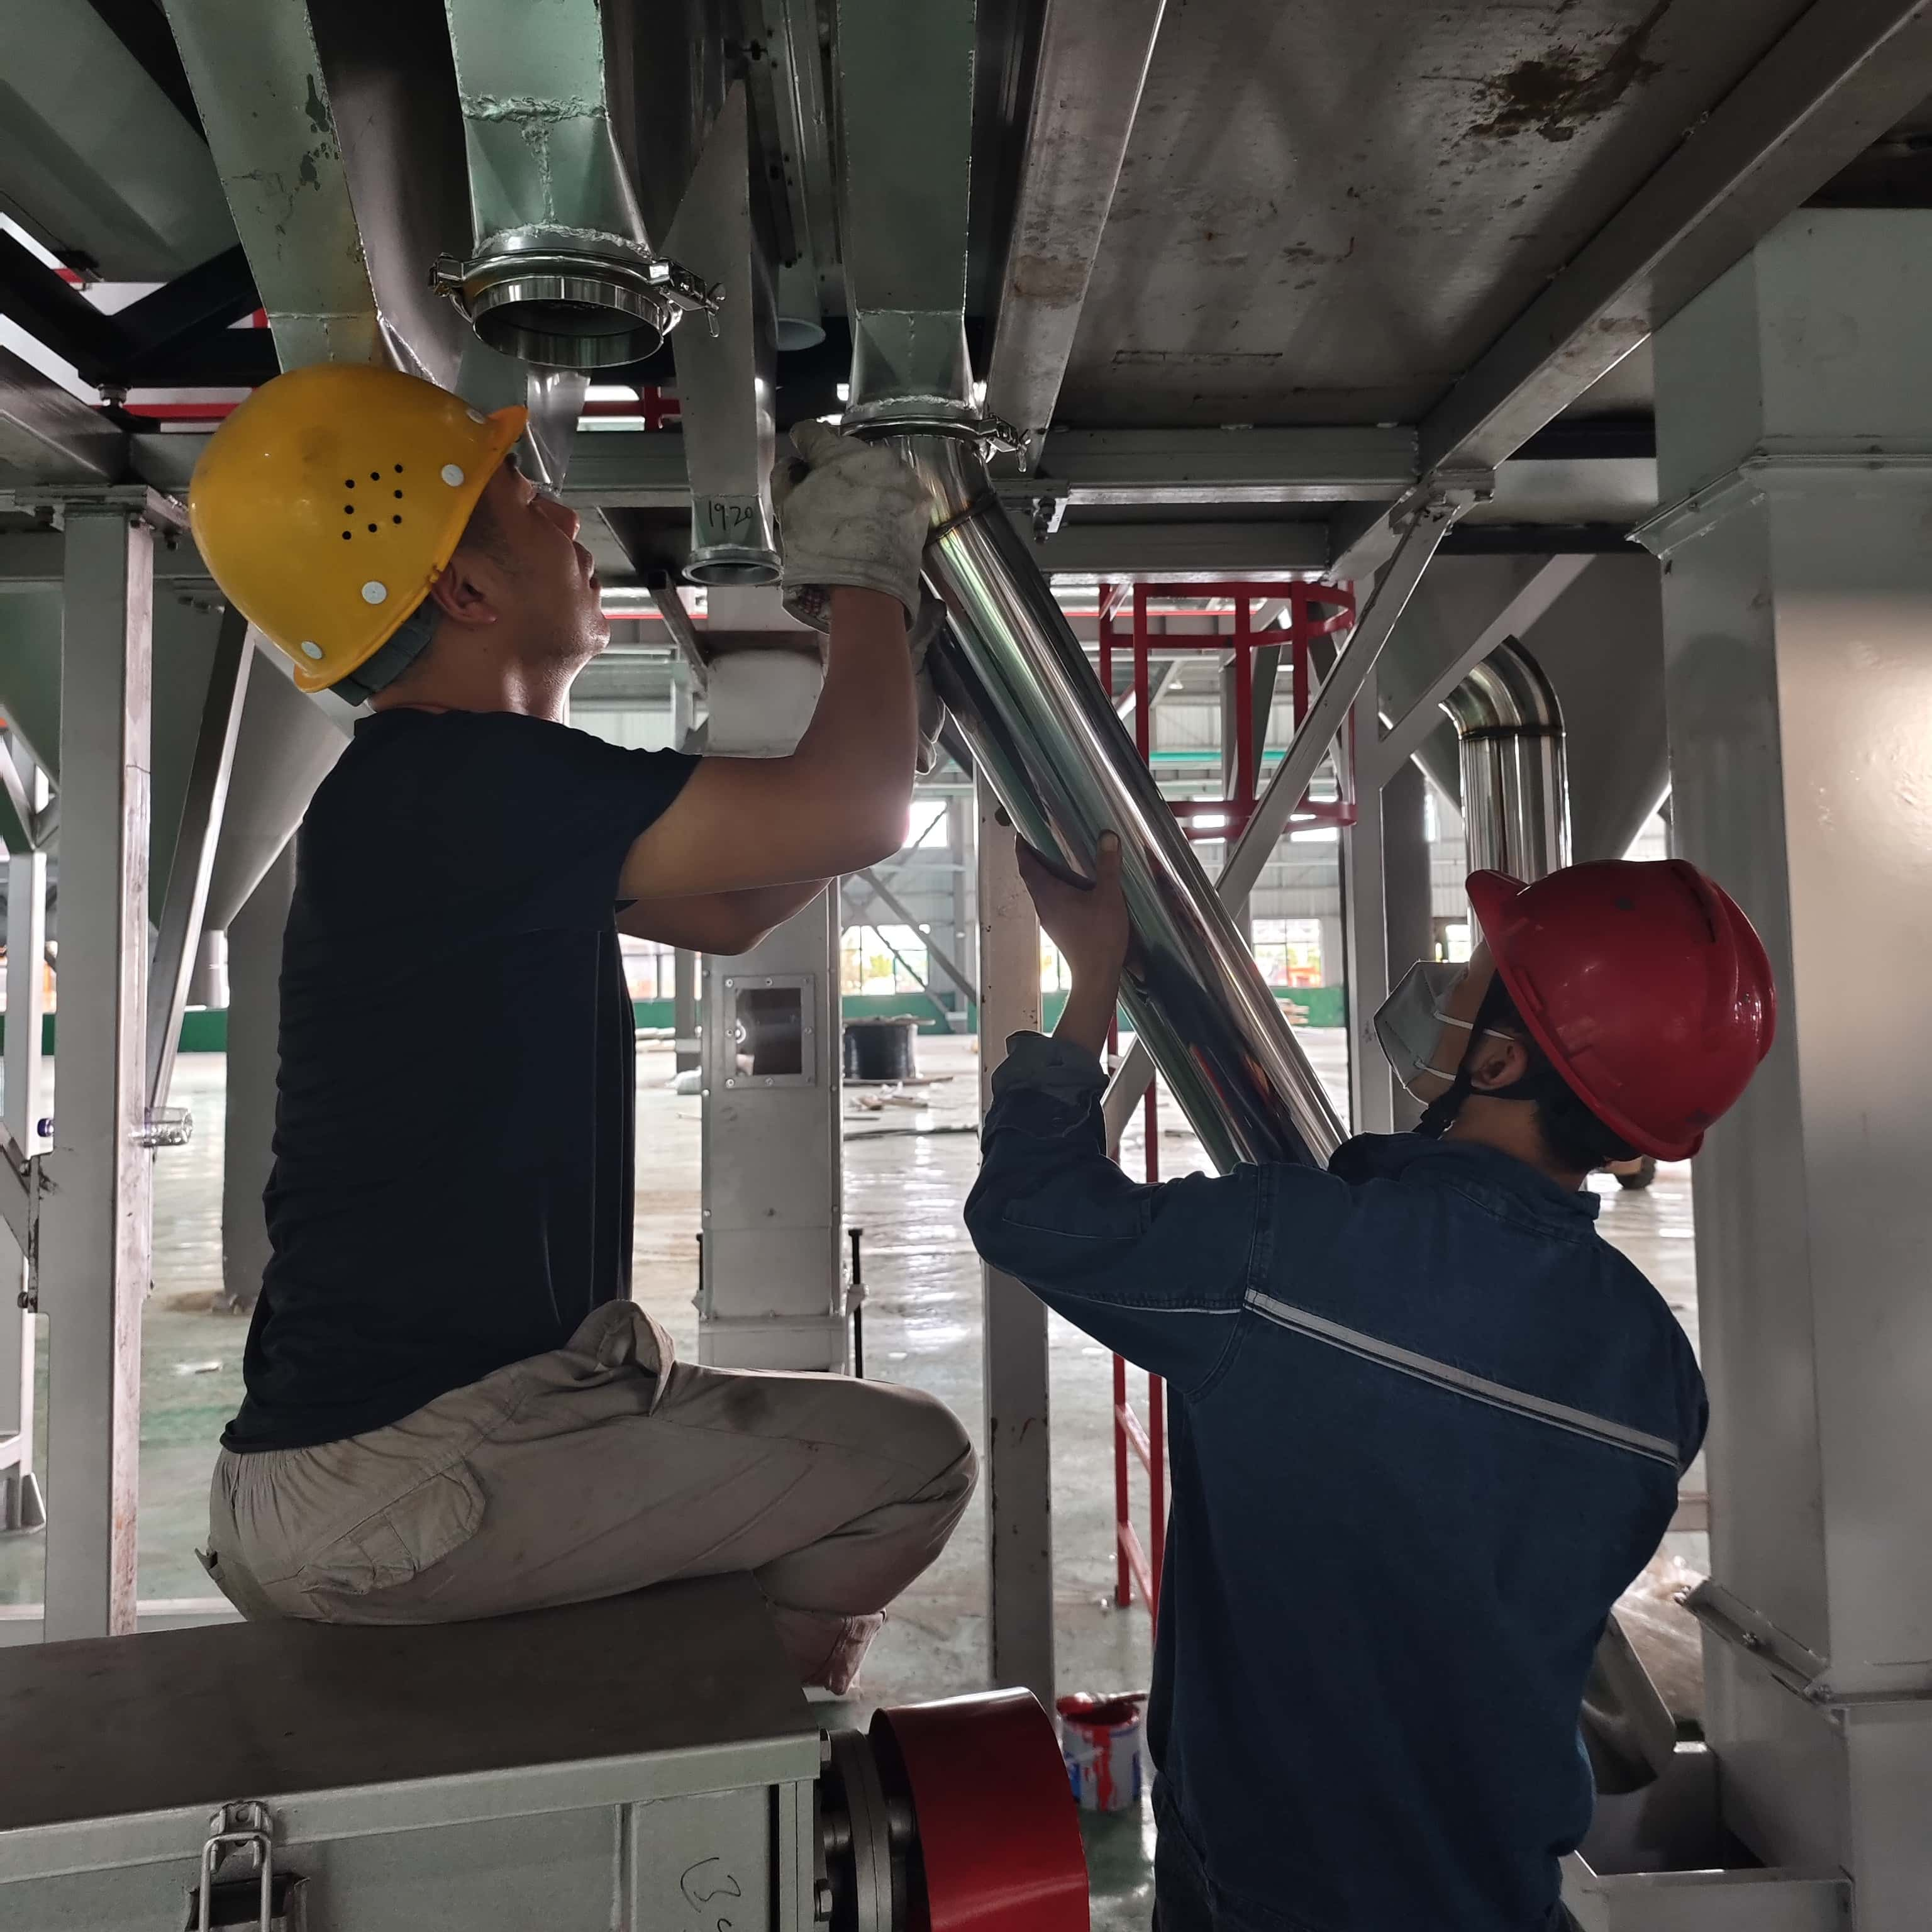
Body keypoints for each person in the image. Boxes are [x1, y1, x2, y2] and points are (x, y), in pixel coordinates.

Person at [187, 363, 974, 1694]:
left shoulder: (436, 797)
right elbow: (857, 818)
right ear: (466, 593)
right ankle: (738, 1769)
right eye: (524, 497)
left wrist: (890, 672)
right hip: (412, 1474)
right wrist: (863, 578)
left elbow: (735, 908)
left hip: (386, 1460)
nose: (571, 519)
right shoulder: (467, 786)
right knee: (912, 1469)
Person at [965, 835, 1775, 1931]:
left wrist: (1093, 980)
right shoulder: (1655, 1376)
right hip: (1493, 1888)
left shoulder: (1283, 1256)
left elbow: (1028, 1211)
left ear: (1495, 1066)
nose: (1439, 994)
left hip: (1267, 1888)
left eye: (1470, 982)